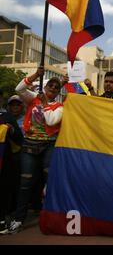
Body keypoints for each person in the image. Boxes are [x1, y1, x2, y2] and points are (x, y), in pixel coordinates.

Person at [6, 66, 63, 234]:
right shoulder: (32, 99)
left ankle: (52, 216)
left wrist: (45, 103)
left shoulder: (60, 106)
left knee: (50, 182)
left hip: (49, 147)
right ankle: (18, 219)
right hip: (29, 145)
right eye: (50, 86)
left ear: (58, 91)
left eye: (55, 87)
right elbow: (19, 89)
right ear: (44, 87)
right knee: (25, 183)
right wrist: (35, 75)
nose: (52, 88)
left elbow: (52, 121)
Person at [0, 90, 23, 234]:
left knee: (3, 190)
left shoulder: (7, 117)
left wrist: (11, 130)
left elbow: (19, 138)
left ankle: (2, 219)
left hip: (5, 162)